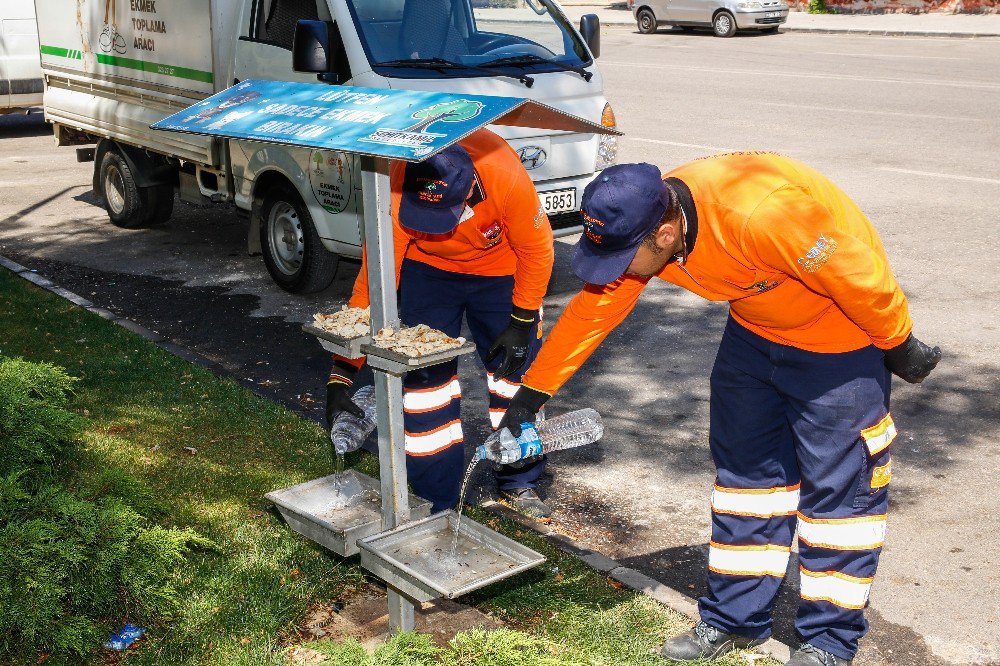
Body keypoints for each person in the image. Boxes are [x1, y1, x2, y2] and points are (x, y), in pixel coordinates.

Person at [499, 154, 941, 665]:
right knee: (745, 483)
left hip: (840, 344)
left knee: (839, 501)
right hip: (755, 339)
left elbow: (855, 271)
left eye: (622, 259)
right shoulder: (643, 223)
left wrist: (898, 341)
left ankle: (828, 643)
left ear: (664, 234)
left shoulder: (761, 213)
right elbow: (594, 310)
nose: (614, 272)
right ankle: (734, 620)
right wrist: (531, 397)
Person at [326, 128, 555, 517]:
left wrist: (522, 319)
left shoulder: (503, 172)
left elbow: (537, 250)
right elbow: (373, 279)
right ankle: (437, 495)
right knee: (423, 383)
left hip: (501, 273)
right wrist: (342, 373)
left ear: (468, 190)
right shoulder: (398, 176)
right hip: (428, 271)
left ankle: (519, 479)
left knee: (512, 375)